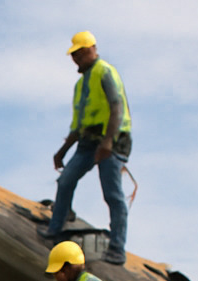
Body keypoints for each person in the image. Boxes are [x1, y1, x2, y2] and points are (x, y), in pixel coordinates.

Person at [38, 31, 132, 266]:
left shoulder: (105, 72)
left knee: (112, 194)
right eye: (74, 55)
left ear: (93, 50)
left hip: (111, 138)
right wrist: (62, 151)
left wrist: (108, 142)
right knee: (66, 180)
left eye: (81, 53)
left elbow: (116, 107)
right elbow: (78, 125)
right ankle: (55, 231)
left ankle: (117, 249)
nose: (77, 58)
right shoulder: (80, 84)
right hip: (88, 142)